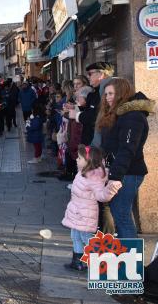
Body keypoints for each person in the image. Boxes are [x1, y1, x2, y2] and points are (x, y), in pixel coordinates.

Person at [98, 78, 154, 238]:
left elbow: (127, 149)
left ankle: (132, 259)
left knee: (121, 214)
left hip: (129, 173)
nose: (107, 97)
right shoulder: (122, 113)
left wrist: (115, 176)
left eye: (111, 93)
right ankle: (128, 256)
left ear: (122, 94)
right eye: (106, 94)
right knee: (120, 213)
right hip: (123, 171)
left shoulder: (133, 116)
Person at [61, 145, 121, 272]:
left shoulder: (94, 177)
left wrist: (111, 189)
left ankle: (97, 262)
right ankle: (78, 262)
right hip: (77, 212)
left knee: (86, 238)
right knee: (75, 236)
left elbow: (101, 195)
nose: (76, 160)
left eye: (79, 158)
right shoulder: (82, 172)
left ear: (89, 161)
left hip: (85, 215)